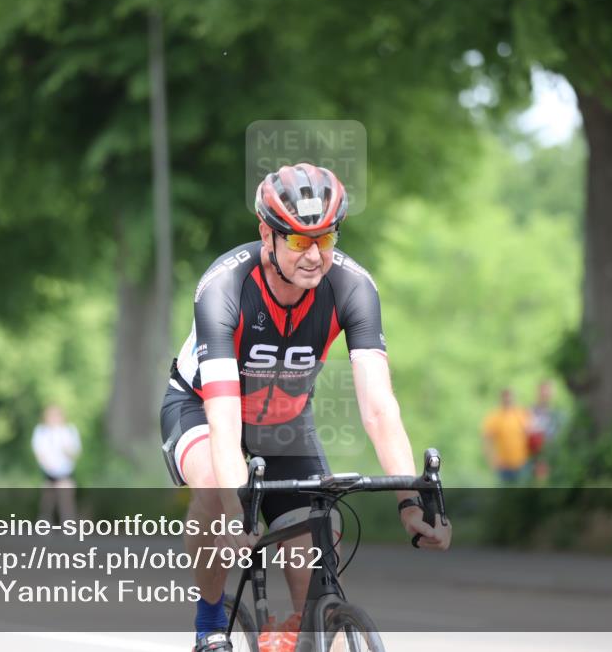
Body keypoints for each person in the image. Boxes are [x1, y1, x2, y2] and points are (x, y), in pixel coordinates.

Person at [160, 163, 452, 652]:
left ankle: (303, 632)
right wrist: (238, 509)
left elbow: (380, 407)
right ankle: (210, 621)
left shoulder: (352, 287)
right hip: (202, 409)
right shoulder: (225, 288)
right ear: (266, 235)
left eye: (326, 239)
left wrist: (410, 502)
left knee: (316, 555)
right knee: (214, 490)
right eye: (297, 241)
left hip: (284, 424)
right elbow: (224, 416)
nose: (315, 255)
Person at [32, 405, 81, 523]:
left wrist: (66, 448)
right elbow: (39, 452)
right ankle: (45, 524)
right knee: (47, 501)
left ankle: (69, 525)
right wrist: (47, 465)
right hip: (48, 470)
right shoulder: (41, 431)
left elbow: (74, 453)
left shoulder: (69, 431)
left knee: (66, 501)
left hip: (65, 471)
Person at [481, 388, 530, 484]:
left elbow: (529, 435)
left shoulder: (521, 414)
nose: (508, 400)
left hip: (521, 463)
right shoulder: (495, 416)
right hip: (503, 465)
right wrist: (492, 460)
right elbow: (487, 440)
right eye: (505, 398)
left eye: (510, 398)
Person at [527, 380, 560, 481]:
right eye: (543, 391)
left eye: (548, 391)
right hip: (538, 454)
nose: (545, 394)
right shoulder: (531, 411)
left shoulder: (558, 411)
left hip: (555, 453)